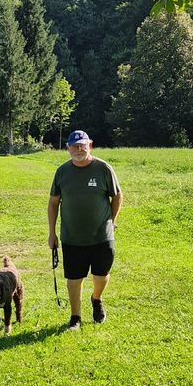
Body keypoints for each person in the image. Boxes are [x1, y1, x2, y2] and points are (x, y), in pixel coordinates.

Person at [47, 129, 123, 330]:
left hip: (102, 235)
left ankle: (96, 299)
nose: (78, 149)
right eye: (74, 146)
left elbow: (117, 196)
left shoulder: (103, 169)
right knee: (74, 279)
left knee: (101, 274)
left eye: (82, 145)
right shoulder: (62, 172)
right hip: (72, 237)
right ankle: (75, 318)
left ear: (90, 145)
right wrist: (52, 233)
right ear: (67, 149)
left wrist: (112, 221)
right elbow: (53, 203)